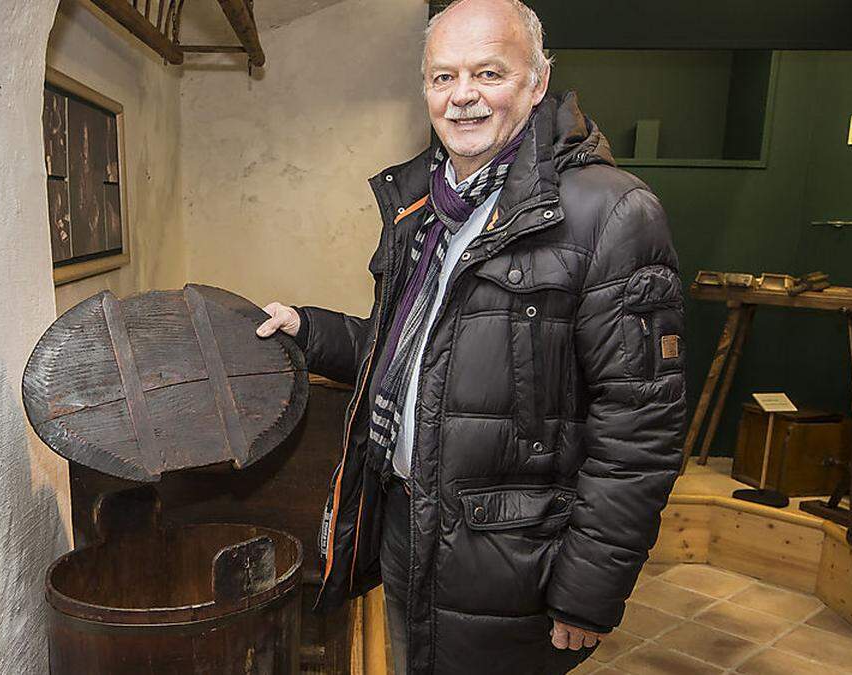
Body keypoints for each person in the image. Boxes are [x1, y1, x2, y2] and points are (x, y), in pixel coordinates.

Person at [256, 0, 686, 672]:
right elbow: (415, 351)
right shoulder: (425, 207)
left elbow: (641, 429)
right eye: (443, 77)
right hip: (406, 528)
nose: (462, 97)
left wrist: (589, 589)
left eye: (488, 73)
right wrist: (309, 330)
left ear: (538, 81)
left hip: (512, 564)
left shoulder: (612, 213)